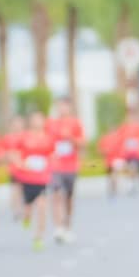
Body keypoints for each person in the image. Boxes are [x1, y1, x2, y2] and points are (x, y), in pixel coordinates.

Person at [14, 111, 56, 249]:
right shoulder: (24, 137)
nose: (38, 122)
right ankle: (26, 218)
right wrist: (21, 164)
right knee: (28, 209)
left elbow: (53, 155)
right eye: (35, 119)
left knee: (42, 207)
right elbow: (15, 154)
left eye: (40, 119)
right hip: (27, 178)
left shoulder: (48, 138)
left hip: (42, 179)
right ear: (31, 121)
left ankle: (38, 237)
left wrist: (49, 165)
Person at [48, 98, 85, 241]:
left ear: (69, 108)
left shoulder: (75, 123)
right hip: (56, 166)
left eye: (64, 106)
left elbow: (82, 143)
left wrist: (71, 139)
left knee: (68, 198)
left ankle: (67, 225)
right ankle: (58, 228)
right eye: (59, 106)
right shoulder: (51, 124)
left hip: (70, 166)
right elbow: (46, 143)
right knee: (56, 194)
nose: (62, 109)